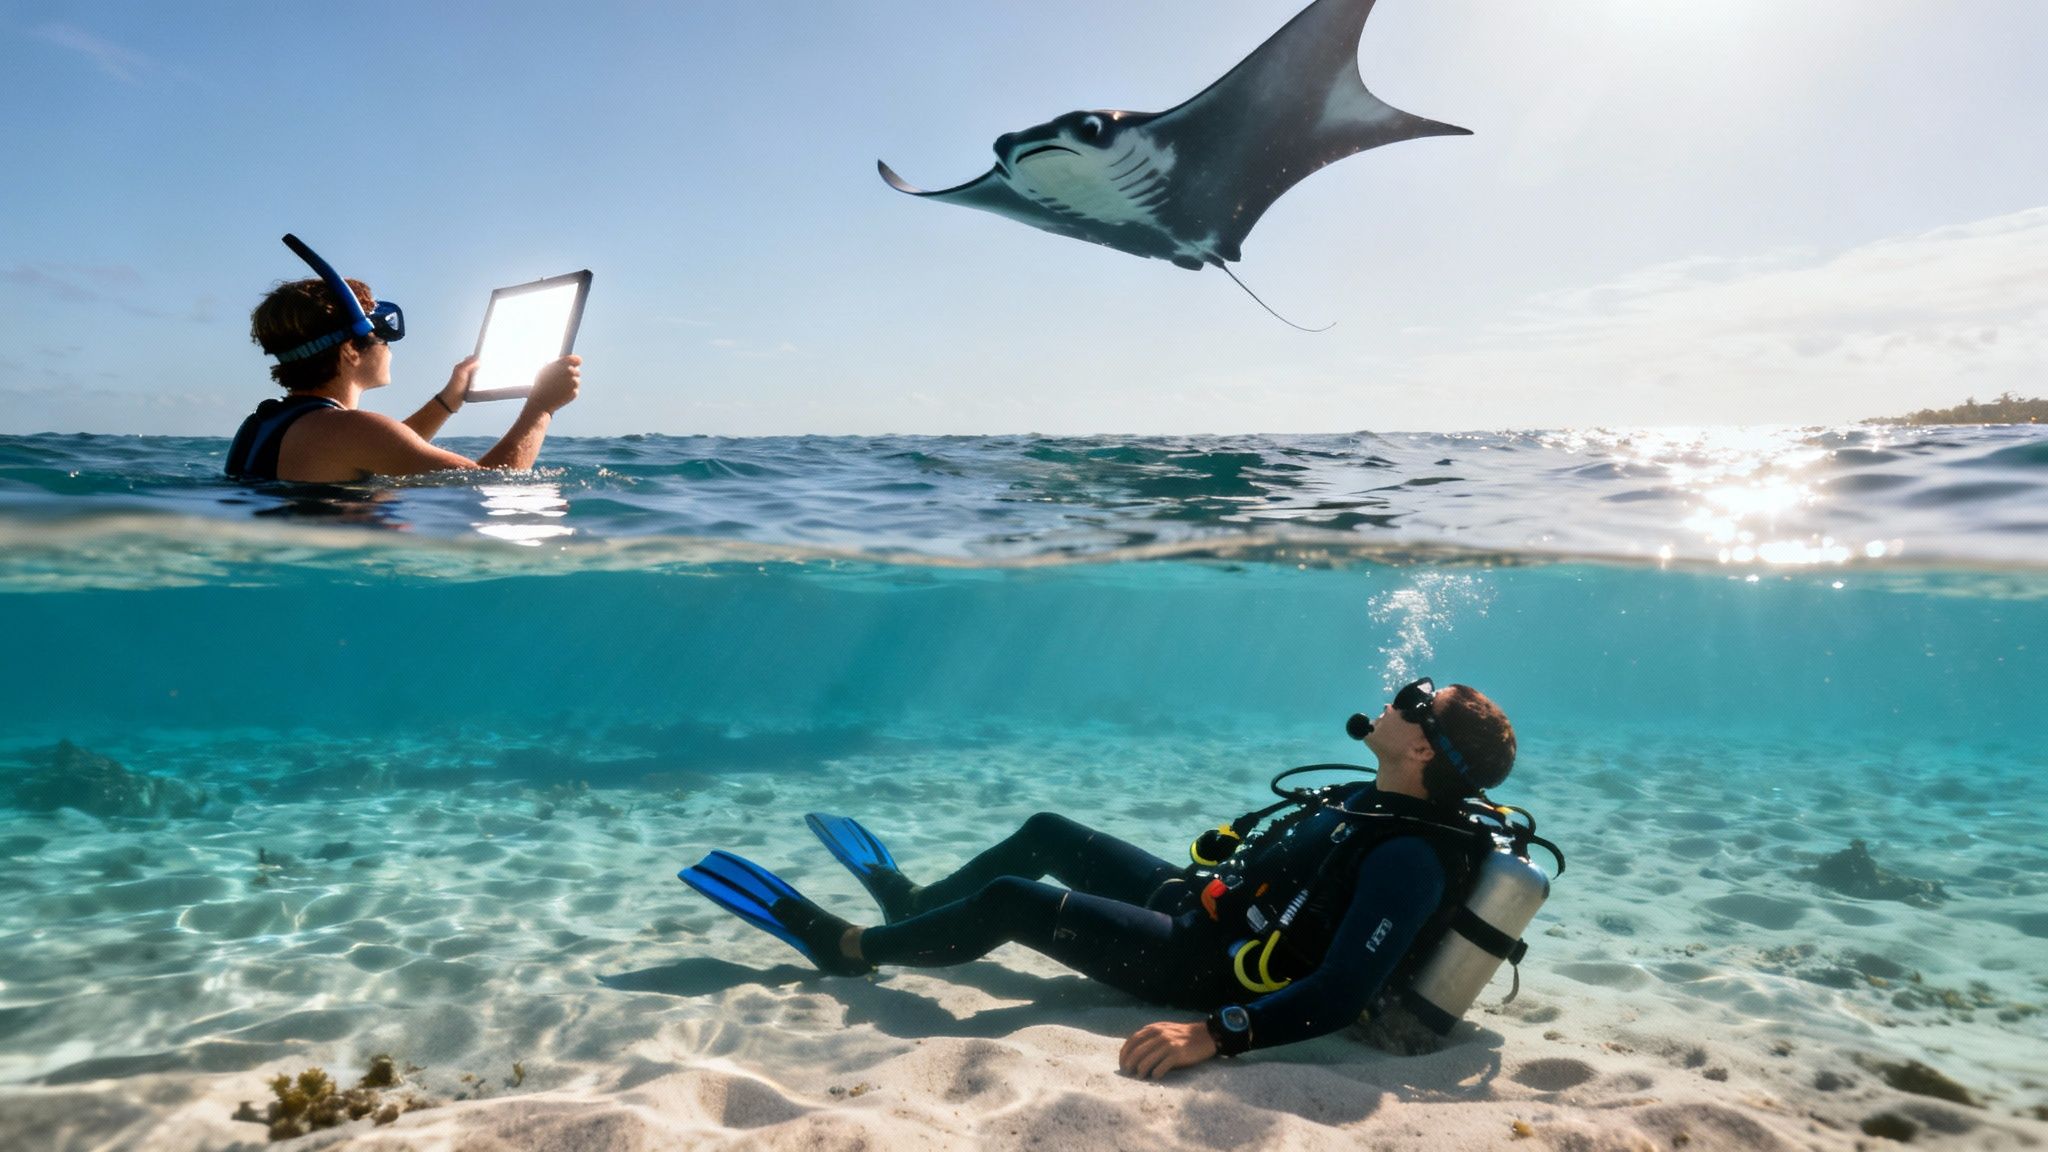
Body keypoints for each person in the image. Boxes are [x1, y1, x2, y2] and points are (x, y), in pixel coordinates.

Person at [680, 677, 1519, 1079]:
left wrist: (1216, 1032)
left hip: (1206, 963)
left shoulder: (1413, 853)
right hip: (1208, 909)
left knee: (1011, 903)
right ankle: (914, 905)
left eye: (1415, 698)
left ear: (1420, 750)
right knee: (1046, 832)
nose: (1397, 692)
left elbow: (1341, 987)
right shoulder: (1371, 799)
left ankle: (854, 948)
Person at [227, 273, 580, 482]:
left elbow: (385, 450)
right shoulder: (350, 429)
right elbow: (492, 489)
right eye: (384, 333)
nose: (390, 347)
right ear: (351, 349)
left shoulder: (262, 423)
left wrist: (447, 400)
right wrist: (541, 408)